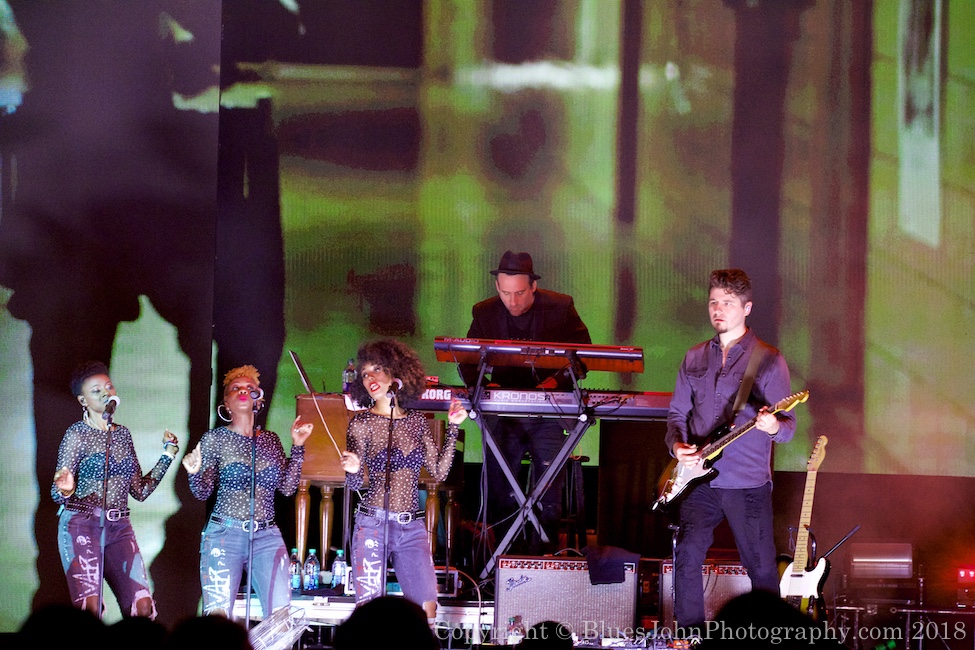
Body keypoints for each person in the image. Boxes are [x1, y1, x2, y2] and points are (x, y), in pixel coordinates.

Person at [665, 269, 797, 630]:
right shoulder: (694, 357)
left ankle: (771, 637)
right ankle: (690, 635)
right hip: (698, 481)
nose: (718, 309)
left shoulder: (768, 359)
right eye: (713, 302)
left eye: (727, 303)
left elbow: (787, 429)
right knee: (687, 553)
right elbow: (677, 414)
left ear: (747, 308)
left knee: (760, 566)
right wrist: (678, 447)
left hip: (747, 482)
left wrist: (773, 426)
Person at [459, 250, 591, 554]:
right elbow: (464, 357)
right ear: (497, 288)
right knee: (499, 490)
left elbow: (584, 356)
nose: (513, 301)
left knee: (548, 491)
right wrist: (486, 387)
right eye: (506, 293)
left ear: (533, 286)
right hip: (502, 411)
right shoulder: (484, 312)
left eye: (519, 293)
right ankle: (504, 560)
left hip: (548, 409)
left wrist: (554, 383)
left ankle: (541, 558)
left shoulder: (560, 307)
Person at [340, 339, 467, 622]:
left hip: (412, 528)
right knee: (370, 612)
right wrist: (353, 469)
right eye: (364, 374)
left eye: (377, 370)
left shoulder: (417, 421)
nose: (370, 377)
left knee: (427, 607)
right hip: (372, 524)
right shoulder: (361, 422)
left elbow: (439, 472)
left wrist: (454, 428)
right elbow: (355, 485)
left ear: (396, 374)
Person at [182, 365, 312, 618]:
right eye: (236, 388)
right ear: (226, 403)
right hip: (224, 535)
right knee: (218, 618)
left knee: (280, 617)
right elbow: (202, 492)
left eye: (251, 388)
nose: (244, 391)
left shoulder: (270, 439)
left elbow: (286, 488)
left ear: (259, 400)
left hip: (267, 536)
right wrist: (194, 472)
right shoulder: (215, 439)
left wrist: (298, 446)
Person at [52, 361, 180, 618]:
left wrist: (167, 455)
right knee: (90, 609)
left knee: (142, 607)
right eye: (95, 390)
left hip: (119, 528)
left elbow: (139, 491)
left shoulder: (122, 435)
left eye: (108, 386)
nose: (104, 393)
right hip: (81, 525)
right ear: (83, 400)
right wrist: (65, 489)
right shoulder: (76, 435)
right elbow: (57, 494)